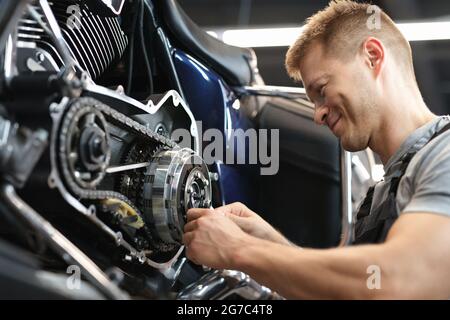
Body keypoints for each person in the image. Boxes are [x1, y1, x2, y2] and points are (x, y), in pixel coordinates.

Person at [182, 0, 450, 299]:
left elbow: (399, 281)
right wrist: (268, 243)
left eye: (322, 90)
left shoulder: (444, 154)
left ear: (372, 56)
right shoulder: (378, 197)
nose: (318, 115)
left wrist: (239, 249)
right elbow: (345, 291)